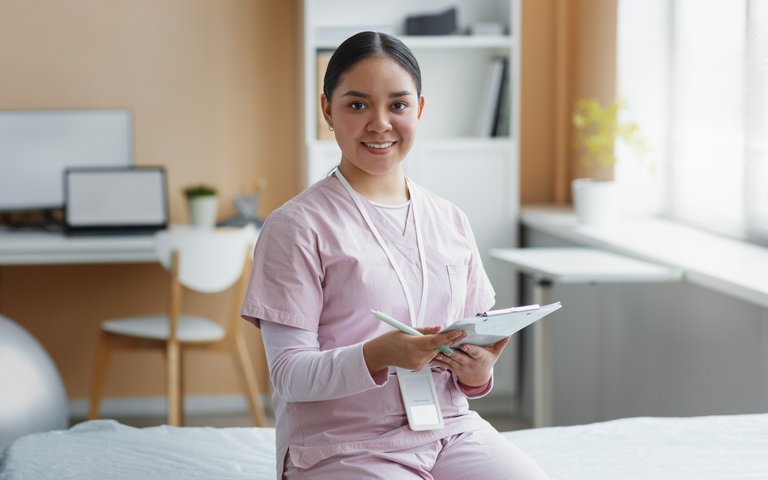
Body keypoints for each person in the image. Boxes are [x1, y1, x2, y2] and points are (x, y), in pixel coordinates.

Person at [241, 31, 548, 480]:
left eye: (398, 105)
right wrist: (377, 355)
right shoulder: (296, 226)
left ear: (419, 109)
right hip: (343, 443)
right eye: (358, 104)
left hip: (449, 431)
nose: (380, 123)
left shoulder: (450, 220)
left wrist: (477, 372)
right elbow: (289, 374)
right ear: (327, 110)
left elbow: (472, 346)